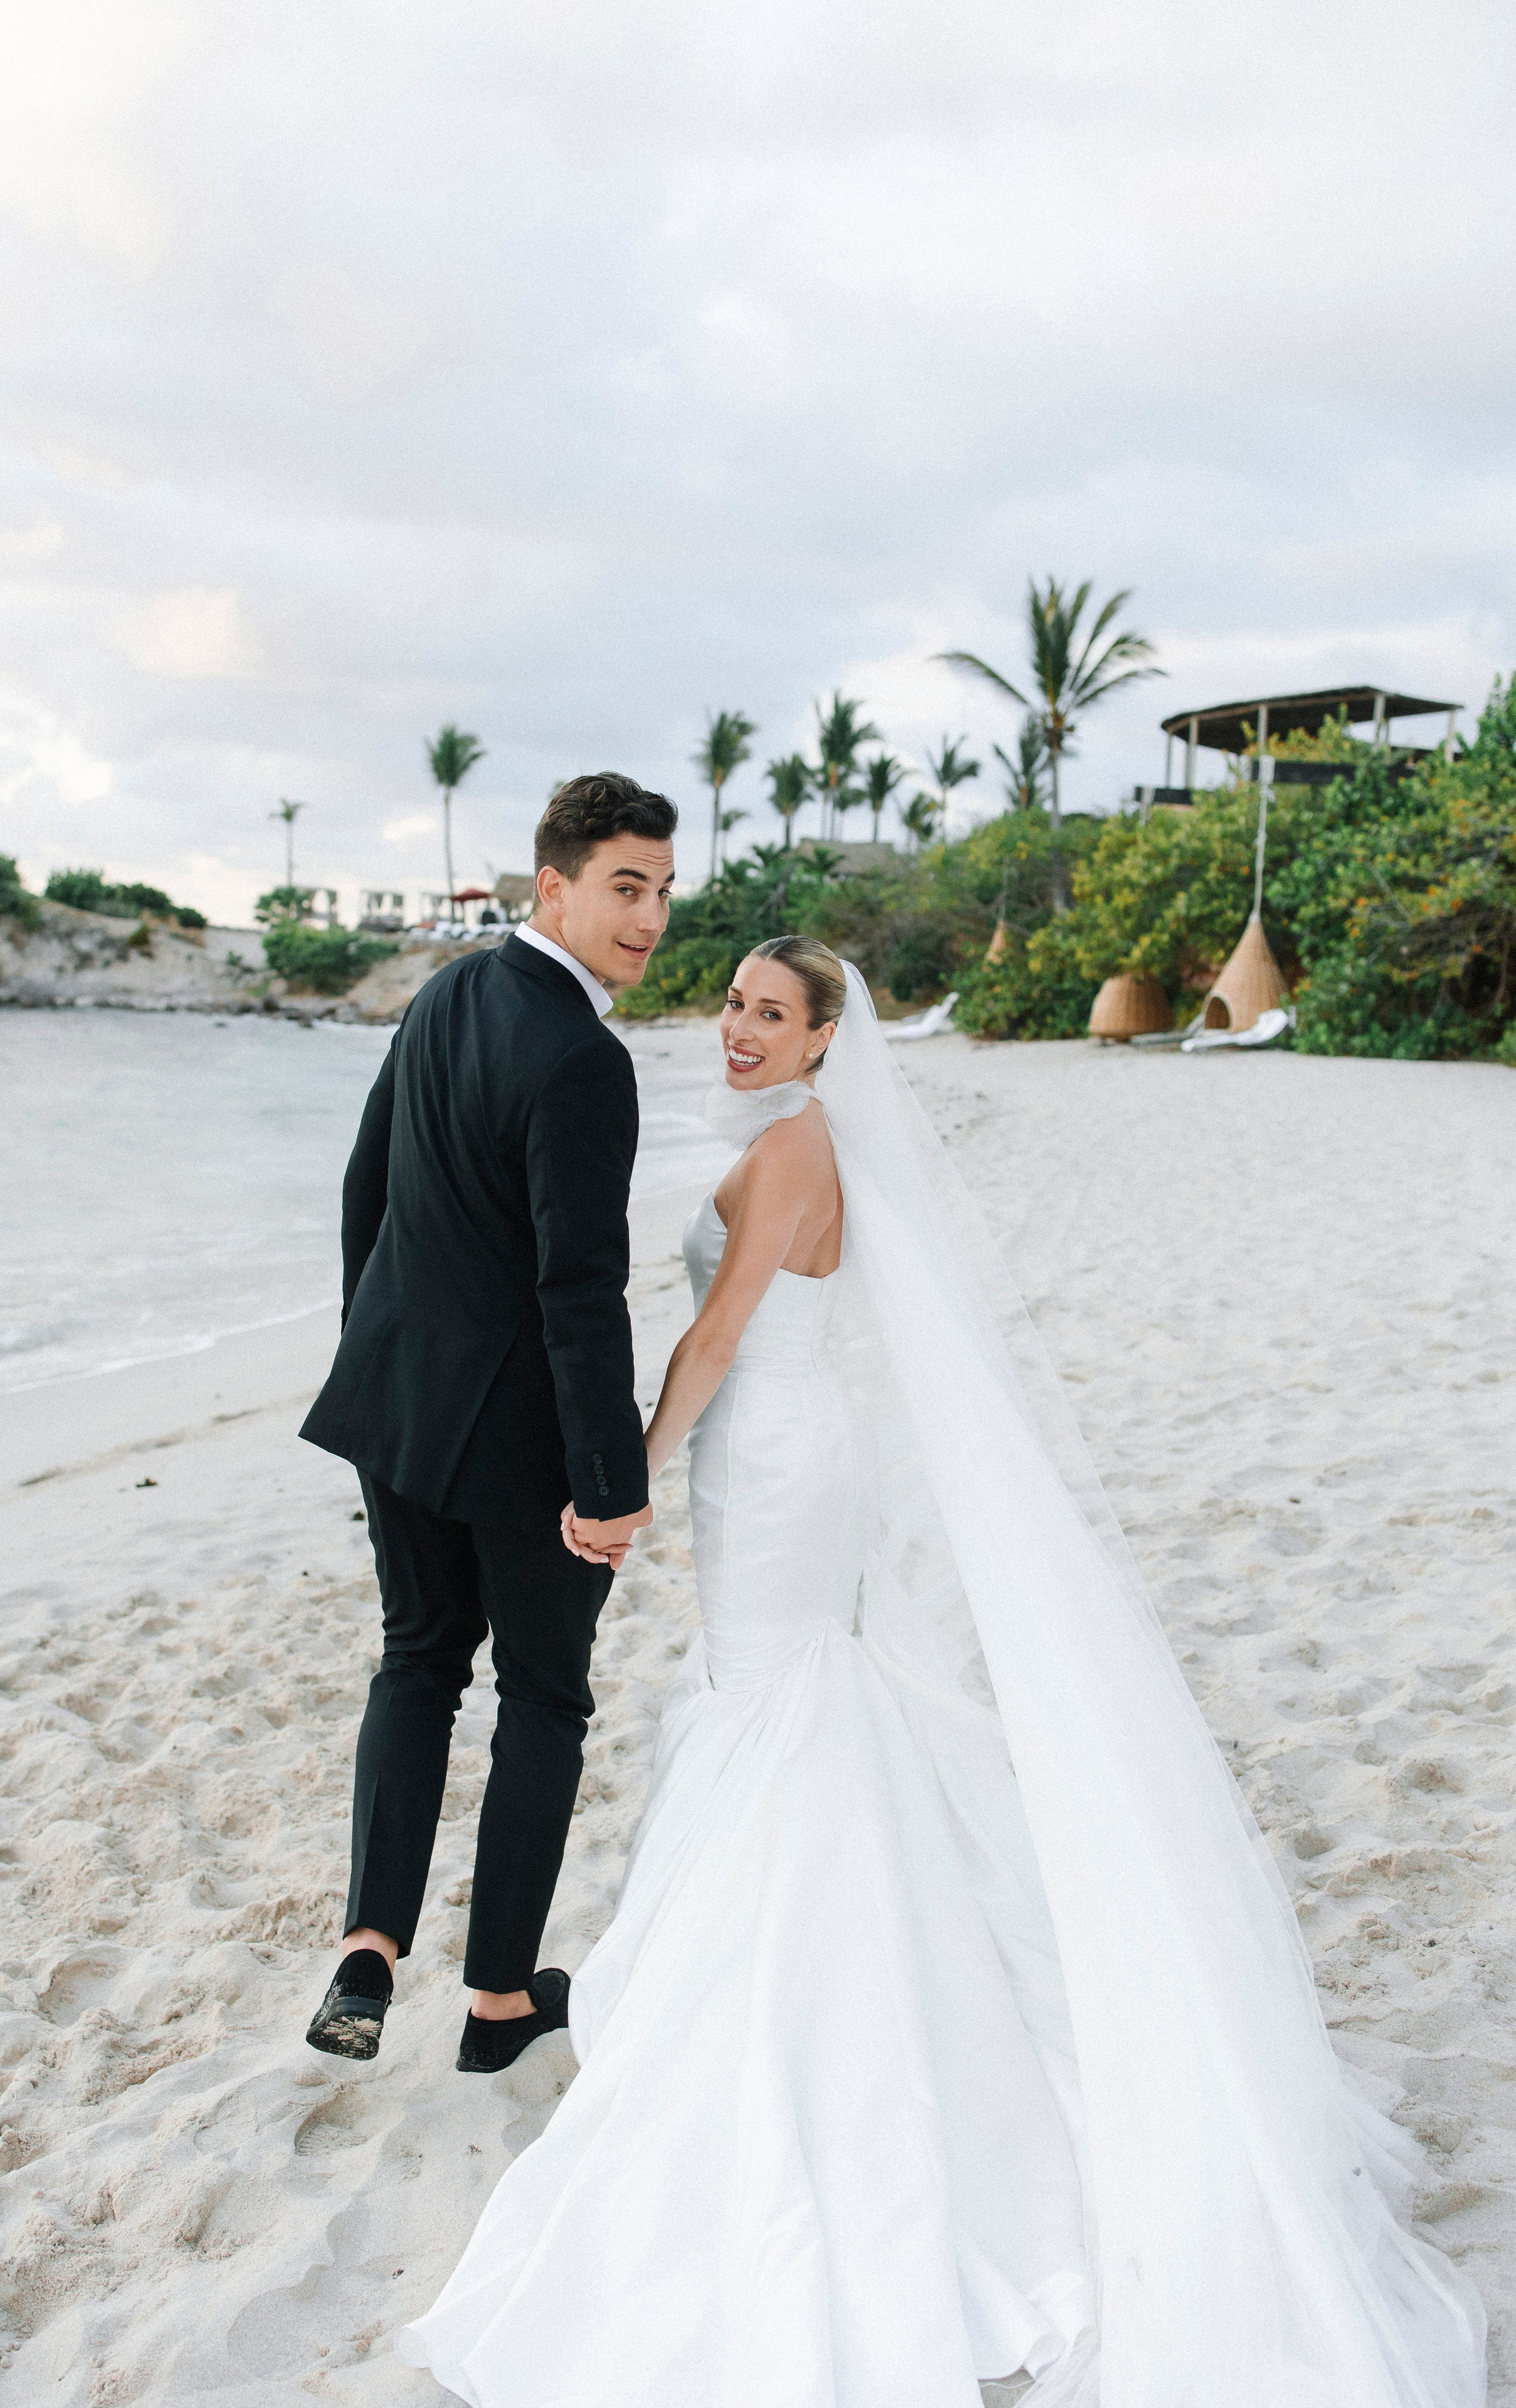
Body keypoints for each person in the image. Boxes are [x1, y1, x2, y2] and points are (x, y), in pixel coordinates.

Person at [396, 934, 1487, 2407]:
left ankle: (794, 2002)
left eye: (770, 1013)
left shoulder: (793, 1150)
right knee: (798, 1701)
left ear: (823, 1038)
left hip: (769, 1462)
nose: (736, 1027)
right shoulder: (811, 1141)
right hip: (788, 1455)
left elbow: (715, 1338)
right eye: (731, 1003)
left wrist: (623, 1483)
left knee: (776, 1705)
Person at [298, 772, 675, 2073]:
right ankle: (500, 2003)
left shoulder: (445, 993)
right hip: (519, 1441)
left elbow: (366, 1191)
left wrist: (374, 1349)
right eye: (625, 887)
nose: (649, 918)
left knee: (415, 1663)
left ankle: (369, 1948)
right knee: (544, 1700)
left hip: (395, 1402)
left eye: (663, 890)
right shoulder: (584, 1060)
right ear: (554, 887)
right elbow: (581, 1292)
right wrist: (609, 1480)